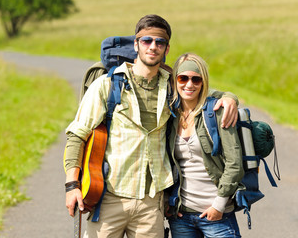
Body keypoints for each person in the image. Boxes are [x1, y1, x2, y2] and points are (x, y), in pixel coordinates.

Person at [64, 15, 238, 238]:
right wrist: (72, 186)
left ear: (166, 48)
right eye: (146, 41)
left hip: (152, 204)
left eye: (160, 42)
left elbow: (200, 91)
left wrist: (230, 98)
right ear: (136, 44)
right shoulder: (106, 85)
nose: (153, 47)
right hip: (110, 199)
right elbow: (77, 135)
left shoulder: (173, 85)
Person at [167, 53, 244, 238]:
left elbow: (235, 164)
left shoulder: (217, 112)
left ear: (203, 82)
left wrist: (218, 206)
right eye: (183, 78)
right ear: (175, 80)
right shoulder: (170, 115)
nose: (189, 84)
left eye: (196, 79)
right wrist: (167, 203)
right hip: (181, 216)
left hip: (217, 216)